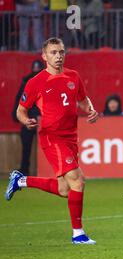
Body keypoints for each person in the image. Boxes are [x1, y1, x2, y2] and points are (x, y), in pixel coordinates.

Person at [4, 37, 100, 245]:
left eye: (61, 52)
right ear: (44, 56)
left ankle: (21, 181)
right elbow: (21, 110)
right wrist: (25, 120)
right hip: (51, 137)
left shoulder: (74, 76)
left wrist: (90, 110)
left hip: (71, 137)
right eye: (53, 53)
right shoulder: (36, 82)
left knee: (66, 189)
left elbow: (83, 100)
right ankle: (78, 234)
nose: (58, 56)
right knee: (78, 179)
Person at [11, 60, 44, 175]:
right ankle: (24, 169)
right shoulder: (26, 83)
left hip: (42, 120)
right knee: (26, 146)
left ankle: (47, 170)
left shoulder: (47, 83)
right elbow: (19, 101)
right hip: (29, 119)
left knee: (47, 147)